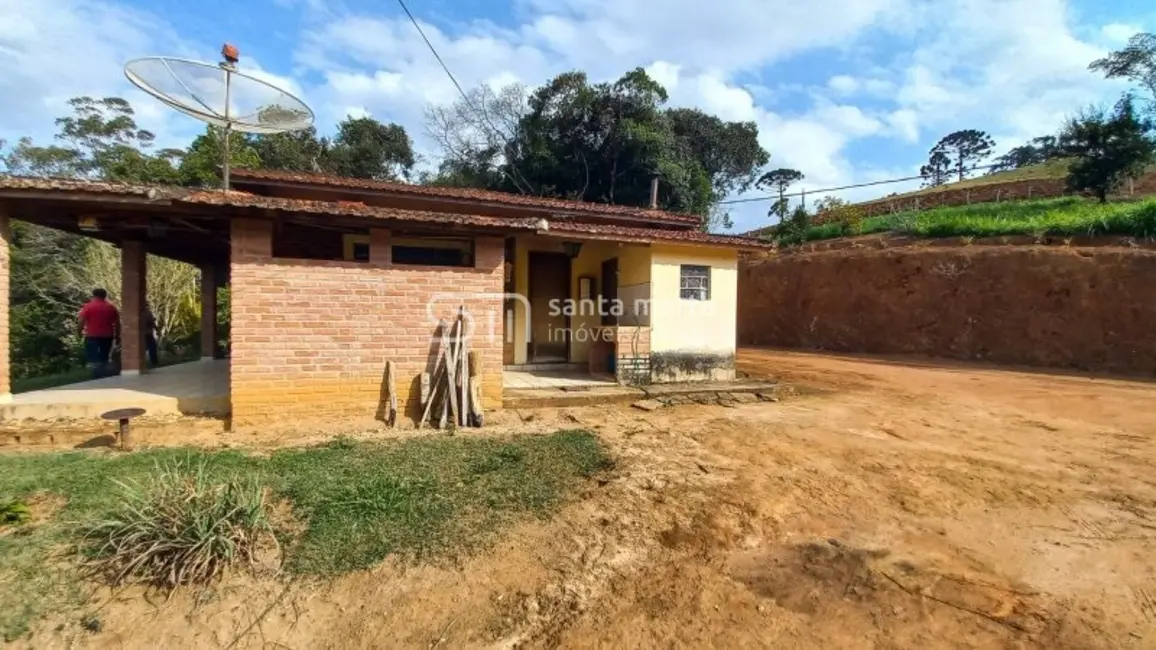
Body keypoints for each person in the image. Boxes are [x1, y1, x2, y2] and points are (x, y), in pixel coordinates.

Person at [78, 288, 119, 378]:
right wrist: (118, 335)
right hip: (108, 335)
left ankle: (96, 375)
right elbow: (117, 323)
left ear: (93, 295)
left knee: (93, 356)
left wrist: (79, 332)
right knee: (104, 356)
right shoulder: (111, 307)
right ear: (105, 296)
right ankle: (103, 374)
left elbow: (81, 321)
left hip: (92, 335)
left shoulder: (88, 307)